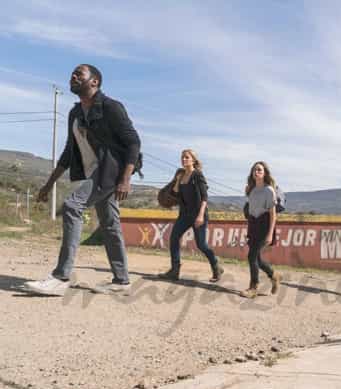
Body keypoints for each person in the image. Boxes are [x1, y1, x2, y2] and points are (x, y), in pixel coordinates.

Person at [25, 64, 141, 295]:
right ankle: (122, 281)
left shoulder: (111, 107)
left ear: (94, 82)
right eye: (72, 73)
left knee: (72, 205)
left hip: (112, 170)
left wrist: (125, 179)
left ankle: (61, 276)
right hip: (94, 172)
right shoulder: (75, 113)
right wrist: (49, 184)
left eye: (80, 74)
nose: (73, 76)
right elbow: (69, 151)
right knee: (110, 224)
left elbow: (133, 143)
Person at [158, 149, 223, 282]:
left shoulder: (197, 175)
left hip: (198, 214)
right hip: (184, 215)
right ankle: (174, 270)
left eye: (187, 157)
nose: (184, 160)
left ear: (193, 160)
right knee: (174, 238)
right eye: (182, 157)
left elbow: (204, 197)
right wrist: (177, 180)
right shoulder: (181, 176)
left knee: (201, 245)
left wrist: (200, 216)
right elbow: (175, 193)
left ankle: (216, 266)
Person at [241, 161, 281, 298]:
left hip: (264, 225)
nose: (256, 172)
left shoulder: (269, 190)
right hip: (253, 225)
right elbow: (251, 211)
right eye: (254, 170)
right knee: (256, 258)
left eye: (259, 170)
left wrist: (270, 234)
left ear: (265, 173)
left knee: (251, 256)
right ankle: (273, 275)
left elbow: (273, 214)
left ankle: (253, 287)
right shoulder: (251, 190)